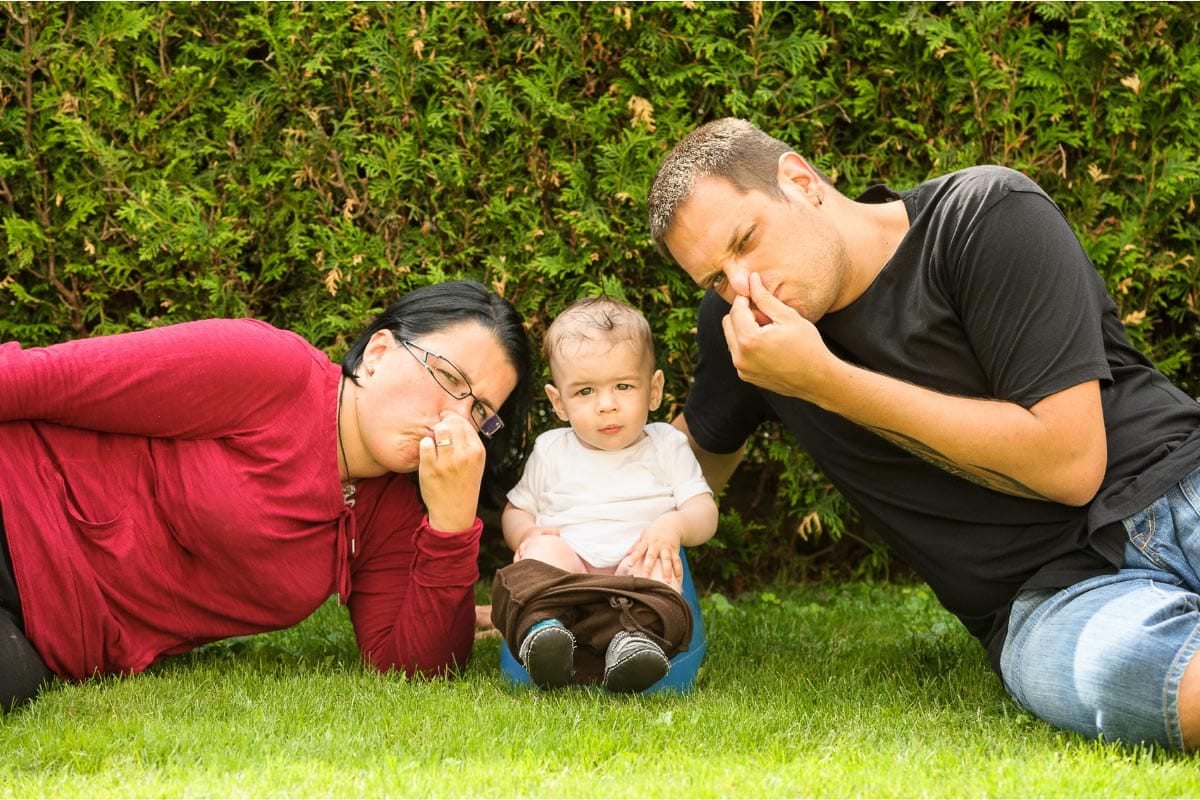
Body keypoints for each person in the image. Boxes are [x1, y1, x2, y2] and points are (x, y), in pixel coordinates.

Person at [646, 117, 1200, 750]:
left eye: (746, 241)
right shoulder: (745, 335)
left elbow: (1070, 466)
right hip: (1047, 600)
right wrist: (552, 555)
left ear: (800, 182)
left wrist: (826, 381)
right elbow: (677, 472)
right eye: (715, 277)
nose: (741, 287)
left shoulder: (983, 215)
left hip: (1176, 487)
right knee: (1183, 699)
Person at [0, 279, 532, 710]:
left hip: (53, 636)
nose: (453, 418)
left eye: (479, 411)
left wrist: (452, 524)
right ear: (377, 352)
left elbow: (418, 671)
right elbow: (41, 379)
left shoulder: (391, 511)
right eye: (447, 378)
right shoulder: (268, 370)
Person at [500, 296, 718, 691]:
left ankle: (634, 647)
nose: (607, 405)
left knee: (660, 571)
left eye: (623, 386)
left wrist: (674, 525)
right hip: (564, 582)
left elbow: (704, 511)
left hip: (635, 576)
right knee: (534, 563)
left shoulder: (666, 445)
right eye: (585, 391)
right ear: (558, 402)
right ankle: (544, 638)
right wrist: (525, 536)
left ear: (653, 390)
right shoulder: (551, 449)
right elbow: (517, 509)